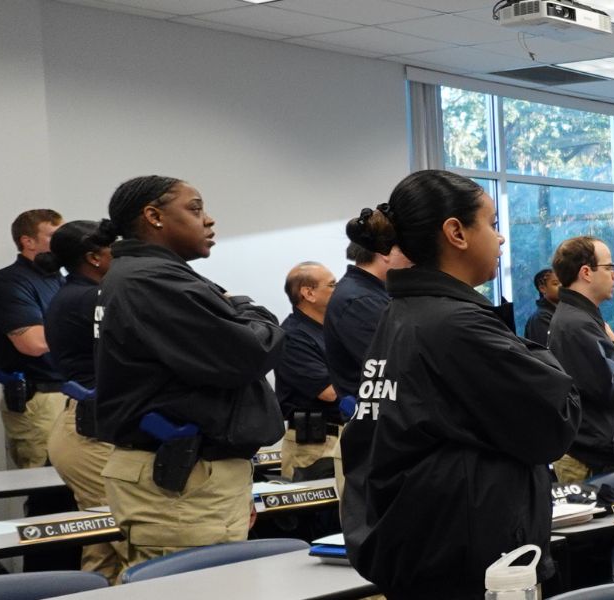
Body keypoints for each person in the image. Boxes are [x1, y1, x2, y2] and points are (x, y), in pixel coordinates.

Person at [341, 170, 577, 599]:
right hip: (470, 567)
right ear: (456, 232)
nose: (501, 239)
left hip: (429, 553)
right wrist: (538, 355)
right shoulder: (455, 324)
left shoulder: (403, 314)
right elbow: (554, 419)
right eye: (491, 224)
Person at [92, 176, 285, 565]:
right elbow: (249, 352)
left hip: (192, 476)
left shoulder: (153, 274)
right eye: (195, 209)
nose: (209, 220)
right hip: (180, 485)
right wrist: (253, 310)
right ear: (154, 216)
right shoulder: (149, 280)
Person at [41, 220, 122, 578]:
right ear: (93, 258)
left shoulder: (75, 292)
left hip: (88, 427)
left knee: (103, 550)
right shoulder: (92, 298)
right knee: (136, 543)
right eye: (113, 252)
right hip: (93, 435)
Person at [546, 236, 614, 485]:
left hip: (598, 455)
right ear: (586, 272)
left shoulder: (583, 318)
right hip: (587, 460)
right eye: (609, 267)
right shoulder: (576, 324)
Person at [0, 209, 66, 469]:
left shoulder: (61, 280)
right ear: (27, 241)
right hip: (40, 401)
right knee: (48, 488)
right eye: (53, 236)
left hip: (73, 395)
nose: (62, 242)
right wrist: (79, 329)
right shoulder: (8, 282)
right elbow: (33, 343)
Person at [326, 242, 406, 494]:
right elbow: (400, 366)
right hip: (374, 438)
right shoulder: (360, 299)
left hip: (384, 437)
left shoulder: (374, 293)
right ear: (385, 252)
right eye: (408, 249)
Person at [276, 262, 340, 480]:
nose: (339, 290)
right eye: (332, 285)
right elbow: (329, 391)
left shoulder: (333, 328)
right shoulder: (292, 336)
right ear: (308, 293)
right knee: (320, 513)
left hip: (340, 436)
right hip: (315, 446)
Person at [523, 268, 558, 345]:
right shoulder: (540, 318)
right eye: (556, 284)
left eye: (564, 283)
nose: (562, 287)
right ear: (542, 288)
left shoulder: (560, 312)